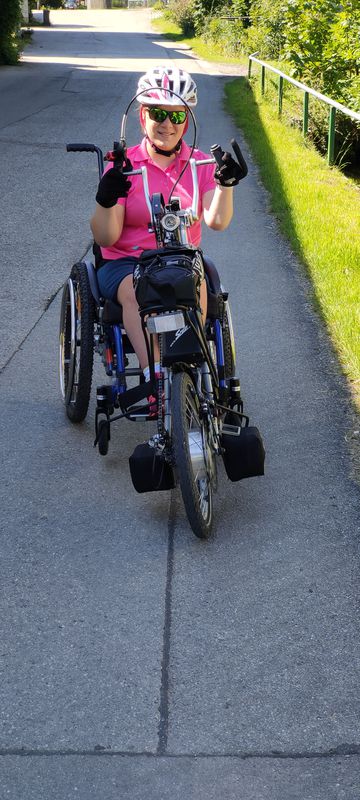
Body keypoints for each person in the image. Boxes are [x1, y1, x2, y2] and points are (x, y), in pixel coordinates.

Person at [90, 65, 242, 385]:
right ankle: (155, 380)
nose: (167, 124)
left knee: (194, 283)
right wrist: (106, 198)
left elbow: (216, 221)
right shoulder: (124, 167)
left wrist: (225, 185)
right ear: (142, 114)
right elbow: (107, 236)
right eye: (159, 112)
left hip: (181, 258)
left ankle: (189, 376)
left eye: (176, 115)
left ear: (186, 120)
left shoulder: (199, 162)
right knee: (138, 289)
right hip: (127, 263)